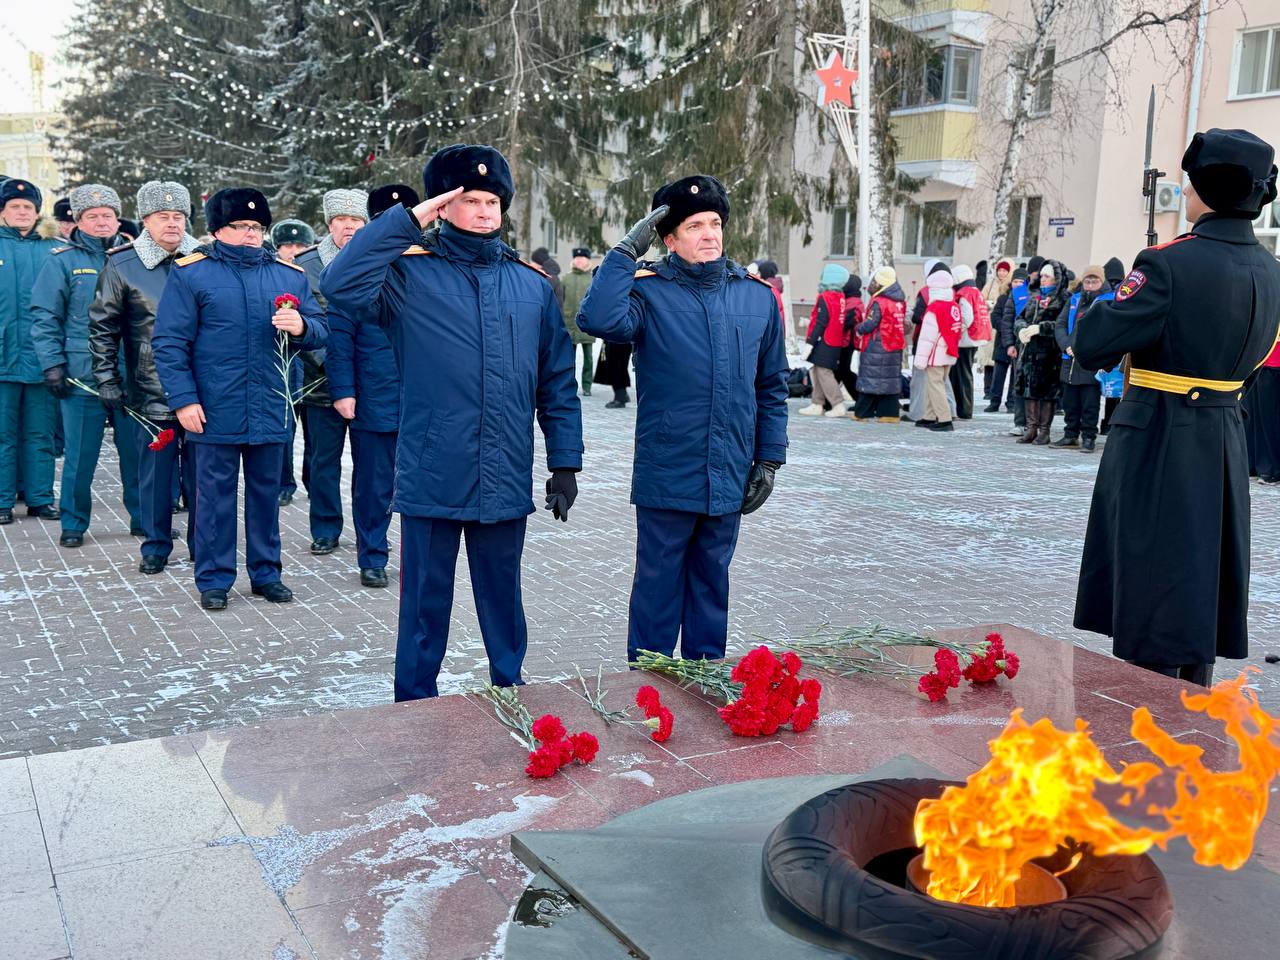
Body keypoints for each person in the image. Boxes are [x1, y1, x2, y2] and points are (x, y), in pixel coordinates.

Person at [321, 143, 583, 701]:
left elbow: (556, 380)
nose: (486, 211)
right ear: (444, 206)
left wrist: (565, 461)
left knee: (503, 599)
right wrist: (407, 219)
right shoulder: (406, 276)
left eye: (494, 201)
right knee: (423, 601)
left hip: (504, 470)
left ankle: (509, 689)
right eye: (471, 199)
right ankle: (413, 702)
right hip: (433, 469)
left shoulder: (532, 285)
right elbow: (340, 283)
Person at [1073, 127, 1280, 687]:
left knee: (1153, 572)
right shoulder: (1272, 270)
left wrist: (1111, 299)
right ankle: (1191, 695)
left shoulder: (1168, 263)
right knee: (1198, 571)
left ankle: (1147, 708)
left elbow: (1092, 344)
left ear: (1207, 190)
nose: (1184, 194)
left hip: (1161, 429)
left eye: (1190, 185)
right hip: (1223, 430)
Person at [577, 175, 788, 662]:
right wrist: (625, 254)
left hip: (730, 467)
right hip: (668, 466)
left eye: (715, 223)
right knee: (657, 582)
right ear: (668, 239)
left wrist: (769, 459)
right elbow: (598, 320)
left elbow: (771, 387)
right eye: (695, 226)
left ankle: (706, 675)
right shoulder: (647, 293)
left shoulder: (755, 298)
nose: (710, 234)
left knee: (713, 579)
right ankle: (649, 682)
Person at [154, 187, 327, 610]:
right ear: (216, 230)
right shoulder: (192, 273)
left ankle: (267, 573)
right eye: (240, 226)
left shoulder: (289, 275)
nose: (251, 234)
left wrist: (302, 326)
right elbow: (170, 343)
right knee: (213, 496)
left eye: (257, 227)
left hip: (270, 403)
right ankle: (214, 578)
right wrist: (184, 400)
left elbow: (324, 330)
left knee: (267, 494)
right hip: (214, 407)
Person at [88, 180, 200, 573]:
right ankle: (156, 544)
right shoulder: (122, 264)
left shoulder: (204, 258)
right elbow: (103, 328)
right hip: (150, 388)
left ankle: (203, 543)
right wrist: (107, 378)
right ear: (146, 221)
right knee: (155, 475)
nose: (172, 224)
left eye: (178, 216)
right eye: (161, 217)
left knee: (202, 475)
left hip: (205, 388)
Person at [31, 184, 142, 547]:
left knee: (137, 453)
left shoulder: (135, 257)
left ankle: (143, 518)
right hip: (82, 374)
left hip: (131, 371)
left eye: (106, 215)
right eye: (91, 216)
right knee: (80, 455)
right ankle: (74, 523)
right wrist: (52, 365)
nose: (100, 222)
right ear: (78, 220)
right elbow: (46, 316)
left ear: (118, 218)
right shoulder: (62, 259)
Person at [294, 188, 368, 557]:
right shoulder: (307, 265)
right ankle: (325, 527)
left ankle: (369, 530)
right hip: (321, 382)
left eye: (356, 220)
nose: (350, 227)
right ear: (329, 225)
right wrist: (331, 365)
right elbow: (304, 321)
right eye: (342, 221)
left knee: (370, 464)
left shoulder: (378, 260)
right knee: (323, 460)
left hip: (369, 383)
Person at [0, 178, 62, 525]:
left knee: (41, 433)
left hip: (42, 359)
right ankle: (2, 500)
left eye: (28, 207)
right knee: (2, 435)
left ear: (38, 212)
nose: (22, 212)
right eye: (14, 207)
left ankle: (40, 498)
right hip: (2, 357)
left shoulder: (53, 248)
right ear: (3, 212)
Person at [1052, 264, 1111, 452]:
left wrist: (1087, 349)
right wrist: (1066, 344)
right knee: (1070, 402)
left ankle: (1088, 437)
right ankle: (1070, 435)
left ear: (1102, 282)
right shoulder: (1074, 300)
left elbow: (1107, 331)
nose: (1091, 284)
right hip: (1069, 359)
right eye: (1087, 280)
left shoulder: (1108, 301)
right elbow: (1060, 324)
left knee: (1090, 404)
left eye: (1095, 281)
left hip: (1090, 360)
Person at [1014, 260, 1068, 444]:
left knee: (1047, 393)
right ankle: (1031, 428)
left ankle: (1044, 430)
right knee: (1029, 391)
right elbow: (1020, 318)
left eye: (1047, 276)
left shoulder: (1063, 299)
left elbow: (1064, 325)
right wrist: (1021, 329)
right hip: (1030, 353)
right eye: (1042, 276)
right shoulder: (1033, 296)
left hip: (1050, 354)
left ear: (1056, 279)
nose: (1042, 279)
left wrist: (1041, 328)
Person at [851, 265, 906, 423]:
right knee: (889, 380)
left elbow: (870, 323)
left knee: (870, 379)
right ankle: (889, 413)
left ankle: (862, 413)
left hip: (876, 345)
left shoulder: (879, 302)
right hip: (894, 345)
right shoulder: (899, 301)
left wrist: (858, 328)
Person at [913, 263, 962, 433]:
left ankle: (944, 418)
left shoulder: (934, 309)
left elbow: (927, 338)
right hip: (949, 352)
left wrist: (920, 360)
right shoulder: (954, 306)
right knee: (935, 384)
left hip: (936, 354)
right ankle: (929, 415)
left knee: (935, 385)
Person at [799, 263, 851, 418]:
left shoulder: (825, 297)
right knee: (817, 370)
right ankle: (817, 403)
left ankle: (837, 403)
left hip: (825, 341)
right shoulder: (840, 297)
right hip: (834, 341)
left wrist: (810, 343)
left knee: (823, 372)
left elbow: (821, 322)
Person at [949, 264, 989, 419]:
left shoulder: (964, 293)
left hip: (966, 339)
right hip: (976, 336)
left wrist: (955, 332)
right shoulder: (975, 291)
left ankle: (964, 409)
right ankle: (963, 408)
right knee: (965, 373)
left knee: (963, 374)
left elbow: (966, 317)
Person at [560, 246, 596, 396]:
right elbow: (560, 300)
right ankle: (569, 385)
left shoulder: (592, 278)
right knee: (570, 358)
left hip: (587, 323)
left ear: (587, 261)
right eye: (577, 259)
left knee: (588, 358)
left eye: (582, 259)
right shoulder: (566, 278)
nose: (579, 261)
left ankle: (587, 386)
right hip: (569, 323)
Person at [1245, 340, 1280, 484]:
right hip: (1259, 360)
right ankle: (1258, 466)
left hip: (1272, 360)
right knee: (1257, 417)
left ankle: (1271, 468)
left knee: (1270, 417)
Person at [982, 259, 1014, 411]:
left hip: (1017, 341)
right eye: (1016, 282)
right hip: (1001, 338)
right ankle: (994, 400)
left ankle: (1012, 402)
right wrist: (1005, 327)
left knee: (1015, 374)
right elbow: (995, 317)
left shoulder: (1025, 299)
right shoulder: (1002, 297)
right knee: (998, 371)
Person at [835, 274, 863, 399]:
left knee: (843, 371)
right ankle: (828, 401)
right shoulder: (851, 300)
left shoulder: (853, 303)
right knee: (841, 371)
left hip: (847, 342)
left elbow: (846, 323)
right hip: (845, 341)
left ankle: (859, 398)